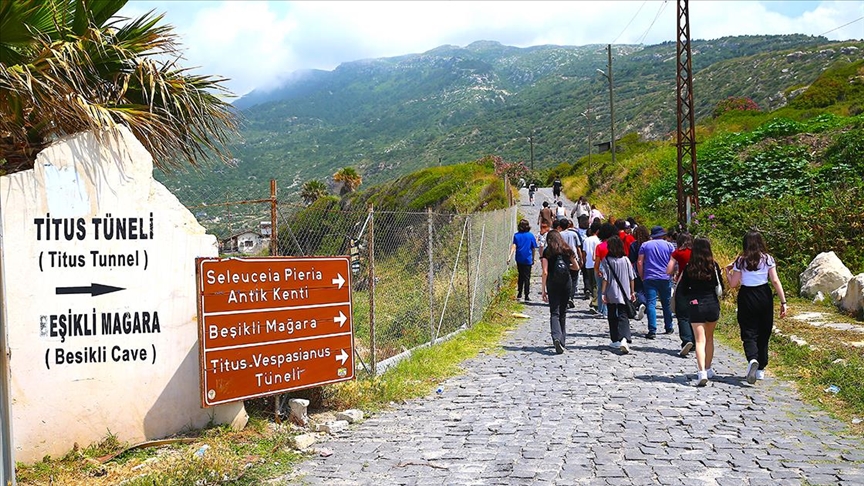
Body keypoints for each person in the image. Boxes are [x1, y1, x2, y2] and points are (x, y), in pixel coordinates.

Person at [725, 230, 788, 384]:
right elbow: (775, 280)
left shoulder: (740, 261)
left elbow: (733, 284)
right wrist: (783, 302)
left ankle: (752, 358)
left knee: (748, 330)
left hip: (746, 295)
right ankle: (761, 369)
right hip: (764, 294)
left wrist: (727, 271)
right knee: (764, 330)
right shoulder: (768, 259)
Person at [677, 237, 724, 386]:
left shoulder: (689, 267)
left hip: (696, 304)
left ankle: (701, 371)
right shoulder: (714, 266)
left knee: (699, 340)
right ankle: (708, 368)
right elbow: (721, 286)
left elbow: (683, 290)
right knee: (709, 339)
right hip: (712, 304)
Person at [541, 230, 580, 354]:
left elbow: (545, 272)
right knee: (563, 312)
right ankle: (562, 341)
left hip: (552, 283)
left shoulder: (547, 252)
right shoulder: (567, 250)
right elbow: (577, 267)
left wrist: (543, 290)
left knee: (554, 312)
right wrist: (567, 267)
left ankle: (556, 337)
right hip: (566, 283)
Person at [637, 226, 675, 339]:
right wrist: (672, 273)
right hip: (665, 277)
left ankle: (652, 330)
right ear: (662, 235)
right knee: (666, 303)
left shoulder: (645, 245)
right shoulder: (669, 246)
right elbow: (673, 261)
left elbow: (640, 262)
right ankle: (669, 327)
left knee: (651, 303)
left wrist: (642, 275)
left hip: (650, 277)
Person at [600, 236, 636, 354]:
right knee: (623, 315)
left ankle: (615, 339)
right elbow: (631, 277)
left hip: (611, 292)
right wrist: (632, 291)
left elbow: (605, 278)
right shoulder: (626, 260)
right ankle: (624, 338)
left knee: (612, 315)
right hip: (624, 292)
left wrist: (603, 293)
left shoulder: (606, 260)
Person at [667, 233, 695, 357]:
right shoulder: (697, 252)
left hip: (683, 284)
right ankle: (695, 341)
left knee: (682, 315)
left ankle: (687, 339)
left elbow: (669, 269)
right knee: (694, 314)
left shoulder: (678, 253)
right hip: (698, 286)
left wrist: (675, 272)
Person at [508, 219, 538, 302]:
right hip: (528, 258)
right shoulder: (530, 235)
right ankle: (526, 295)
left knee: (520, 275)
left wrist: (510, 256)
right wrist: (533, 258)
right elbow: (533, 248)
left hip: (519, 258)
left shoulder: (516, 235)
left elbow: (514, 246)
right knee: (527, 277)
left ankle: (519, 293)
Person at [592, 223, 618, 318]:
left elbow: (597, 261)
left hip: (602, 269)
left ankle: (602, 310)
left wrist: (596, 270)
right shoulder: (616, 245)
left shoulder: (600, 246)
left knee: (601, 290)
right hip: (614, 268)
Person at [628, 224, 649, 320]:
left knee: (640, 289)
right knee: (648, 289)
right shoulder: (650, 244)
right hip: (650, 268)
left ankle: (642, 303)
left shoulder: (634, 245)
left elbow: (632, 259)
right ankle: (648, 305)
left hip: (638, 269)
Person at [582, 222, 600, 305]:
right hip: (596, 263)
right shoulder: (597, 240)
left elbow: (584, 253)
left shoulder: (586, 240)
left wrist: (584, 261)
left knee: (592, 284)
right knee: (596, 284)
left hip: (588, 264)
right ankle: (595, 303)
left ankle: (594, 300)